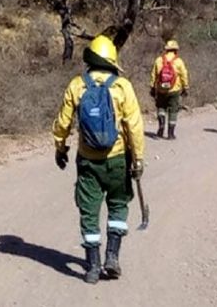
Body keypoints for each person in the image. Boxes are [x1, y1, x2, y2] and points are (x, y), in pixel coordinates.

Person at [52, 35, 145, 284]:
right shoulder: (122, 86)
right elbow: (134, 126)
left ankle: (92, 266)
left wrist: (60, 148)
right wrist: (138, 159)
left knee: (89, 211)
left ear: (90, 59)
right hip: (117, 159)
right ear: (112, 61)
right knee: (118, 205)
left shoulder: (77, 85)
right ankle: (112, 257)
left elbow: (63, 122)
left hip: (88, 160)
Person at [149, 40, 190, 139]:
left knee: (161, 107)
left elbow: (153, 75)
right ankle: (170, 134)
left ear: (166, 50)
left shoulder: (159, 60)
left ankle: (161, 125)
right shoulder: (179, 61)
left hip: (161, 89)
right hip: (174, 90)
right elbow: (184, 75)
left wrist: (152, 87)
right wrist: (185, 87)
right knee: (173, 111)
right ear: (175, 50)